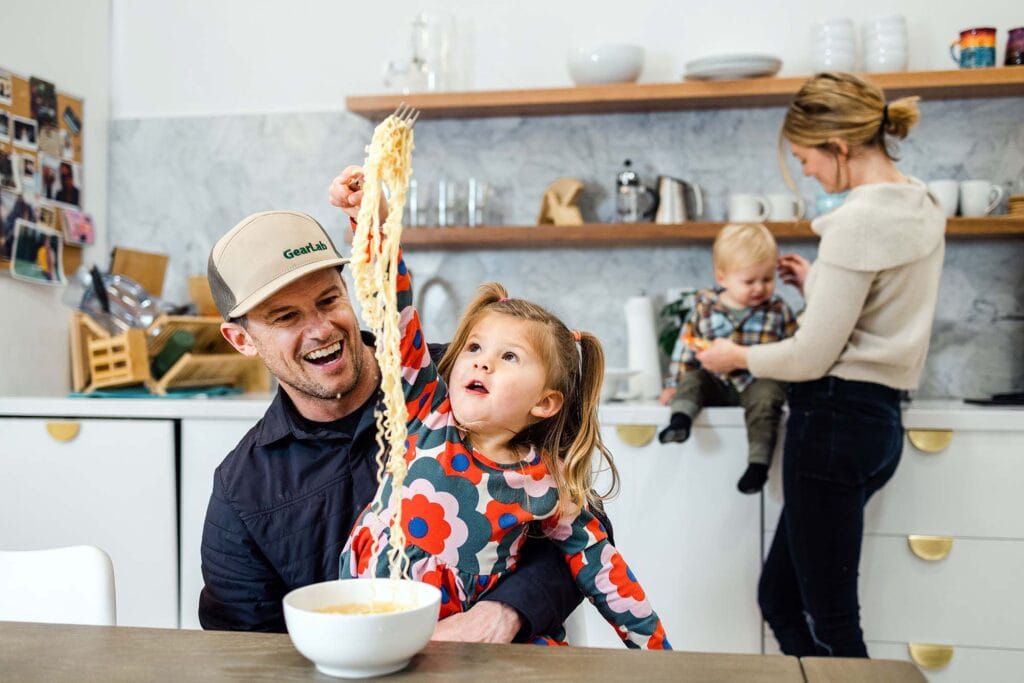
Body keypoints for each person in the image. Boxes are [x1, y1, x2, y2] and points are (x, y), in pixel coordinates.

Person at [200, 210, 590, 640]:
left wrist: (503, 613)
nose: (320, 329)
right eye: (285, 317)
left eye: (329, 300)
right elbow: (242, 647)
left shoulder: (466, 384)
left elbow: (585, 525)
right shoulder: (242, 490)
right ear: (241, 340)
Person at [330, 167, 669, 650]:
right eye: (474, 348)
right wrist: (375, 221)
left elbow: (604, 569)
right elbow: (392, 306)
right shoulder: (427, 410)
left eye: (509, 357)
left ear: (546, 403)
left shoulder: (545, 483)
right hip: (370, 619)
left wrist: (657, 653)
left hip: (468, 647)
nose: (483, 362)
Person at [698, 72, 945, 658]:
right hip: (879, 426)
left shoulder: (856, 221)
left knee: (832, 623)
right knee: (780, 600)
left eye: (806, 157)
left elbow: (809, 356)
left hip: (832, 425)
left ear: (838, 147)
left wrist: (736, 355)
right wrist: (820, 287)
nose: (805, 171)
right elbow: (879, 315)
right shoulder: (923, 203)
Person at [657, 223, 797, 494]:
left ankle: (758, 464)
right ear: (723, 278)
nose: (759, 288)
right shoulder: (705, 308)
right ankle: (680, 422)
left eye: (767, 279)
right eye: (749, 281)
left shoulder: (778, 309)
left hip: (757, 384)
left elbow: (794, 349)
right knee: (694, 379)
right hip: (716, 384)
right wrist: (673, 384)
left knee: (767, 402)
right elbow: (686, 348)